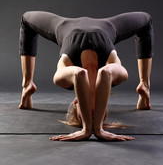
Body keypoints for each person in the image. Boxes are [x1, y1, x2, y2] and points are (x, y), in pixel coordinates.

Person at [18, 11, 154, 141]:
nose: (92, 117)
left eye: (86, 117)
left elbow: (79, 74)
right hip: (107, 28)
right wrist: (98, 129)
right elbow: (105, 73)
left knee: (26, 20)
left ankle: (27, 84)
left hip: (65, 27)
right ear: (104, 107)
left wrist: (87, 130)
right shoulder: (113, 77)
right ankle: (145, 84)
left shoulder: (64, 80)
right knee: (146, 20)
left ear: (77, 104)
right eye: (97, 117)